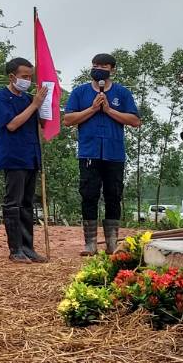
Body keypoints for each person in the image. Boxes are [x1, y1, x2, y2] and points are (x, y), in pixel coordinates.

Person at [63, 53, 142, 255]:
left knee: (113, 196)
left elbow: (135, 121)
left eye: (103, 65)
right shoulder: (80, 92)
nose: (98, 68)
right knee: (88, 195)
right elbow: (68, 119)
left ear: (112, 69)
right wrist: (92, 108)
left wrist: (108, 110)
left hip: (114, 154)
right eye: (95, 65)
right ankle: (90, 244)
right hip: (89, 152)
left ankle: (112, 243)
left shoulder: (122, 93)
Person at [0, 57, 49, 263]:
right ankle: (15, 249)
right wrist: (34, 105)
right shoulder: (1, 98)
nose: (28, 81)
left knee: (27, 203)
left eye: (30, 77)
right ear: (12, 76)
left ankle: (28, 247)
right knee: (13, 202)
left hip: (31, 156)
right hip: (14, 156)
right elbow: (12, 125)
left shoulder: (28, 99)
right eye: (24, 76)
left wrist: (42, 106)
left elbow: (40, 124)